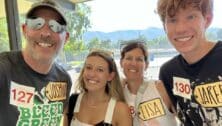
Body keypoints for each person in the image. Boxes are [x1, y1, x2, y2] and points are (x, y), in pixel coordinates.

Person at [0, 0, 72, 125]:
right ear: (24, 30)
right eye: (36, 23)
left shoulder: (64, 79)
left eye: (56, 27)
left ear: (65, 38)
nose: (45, 33)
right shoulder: (4, 69)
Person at [156, 0, 222, 125]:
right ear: (164, 26)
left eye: (191, 17)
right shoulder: (168, 72)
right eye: (172, 19)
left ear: (207, 19)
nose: (181, 28)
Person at [63, 49, 132, 126]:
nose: (92, 74)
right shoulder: (73, 101)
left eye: (100, 70)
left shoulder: (121, 110)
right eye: (89, 67)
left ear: (110, 76)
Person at [120, 40, 178, 126]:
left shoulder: (159, 87)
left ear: (146, 65)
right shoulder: (119, 94)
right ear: (121, 63)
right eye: (129, 58)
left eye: (139, 59)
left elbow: (186, 118)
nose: (133, 63)